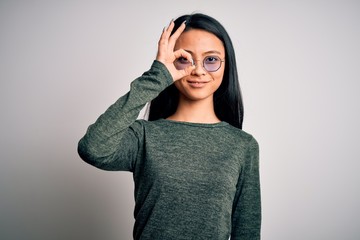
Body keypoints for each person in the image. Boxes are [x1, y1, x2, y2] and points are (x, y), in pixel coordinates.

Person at [78, 13, 261, 240]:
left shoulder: (242, 146)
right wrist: (157, 76)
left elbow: (247, 232)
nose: (198, 70)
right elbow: (93, 148)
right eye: (184, 58)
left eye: (211, 59)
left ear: (227, 65)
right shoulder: (144, 136)